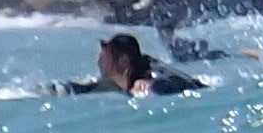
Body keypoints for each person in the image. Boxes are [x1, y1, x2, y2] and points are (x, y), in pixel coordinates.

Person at [64, 31, 204, 96]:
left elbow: (180, 81)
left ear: (123, 61)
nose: (99, 62)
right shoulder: (114, 83)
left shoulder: (151, 70)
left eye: (104, 58)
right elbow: (85, 88)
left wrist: (152, 84)